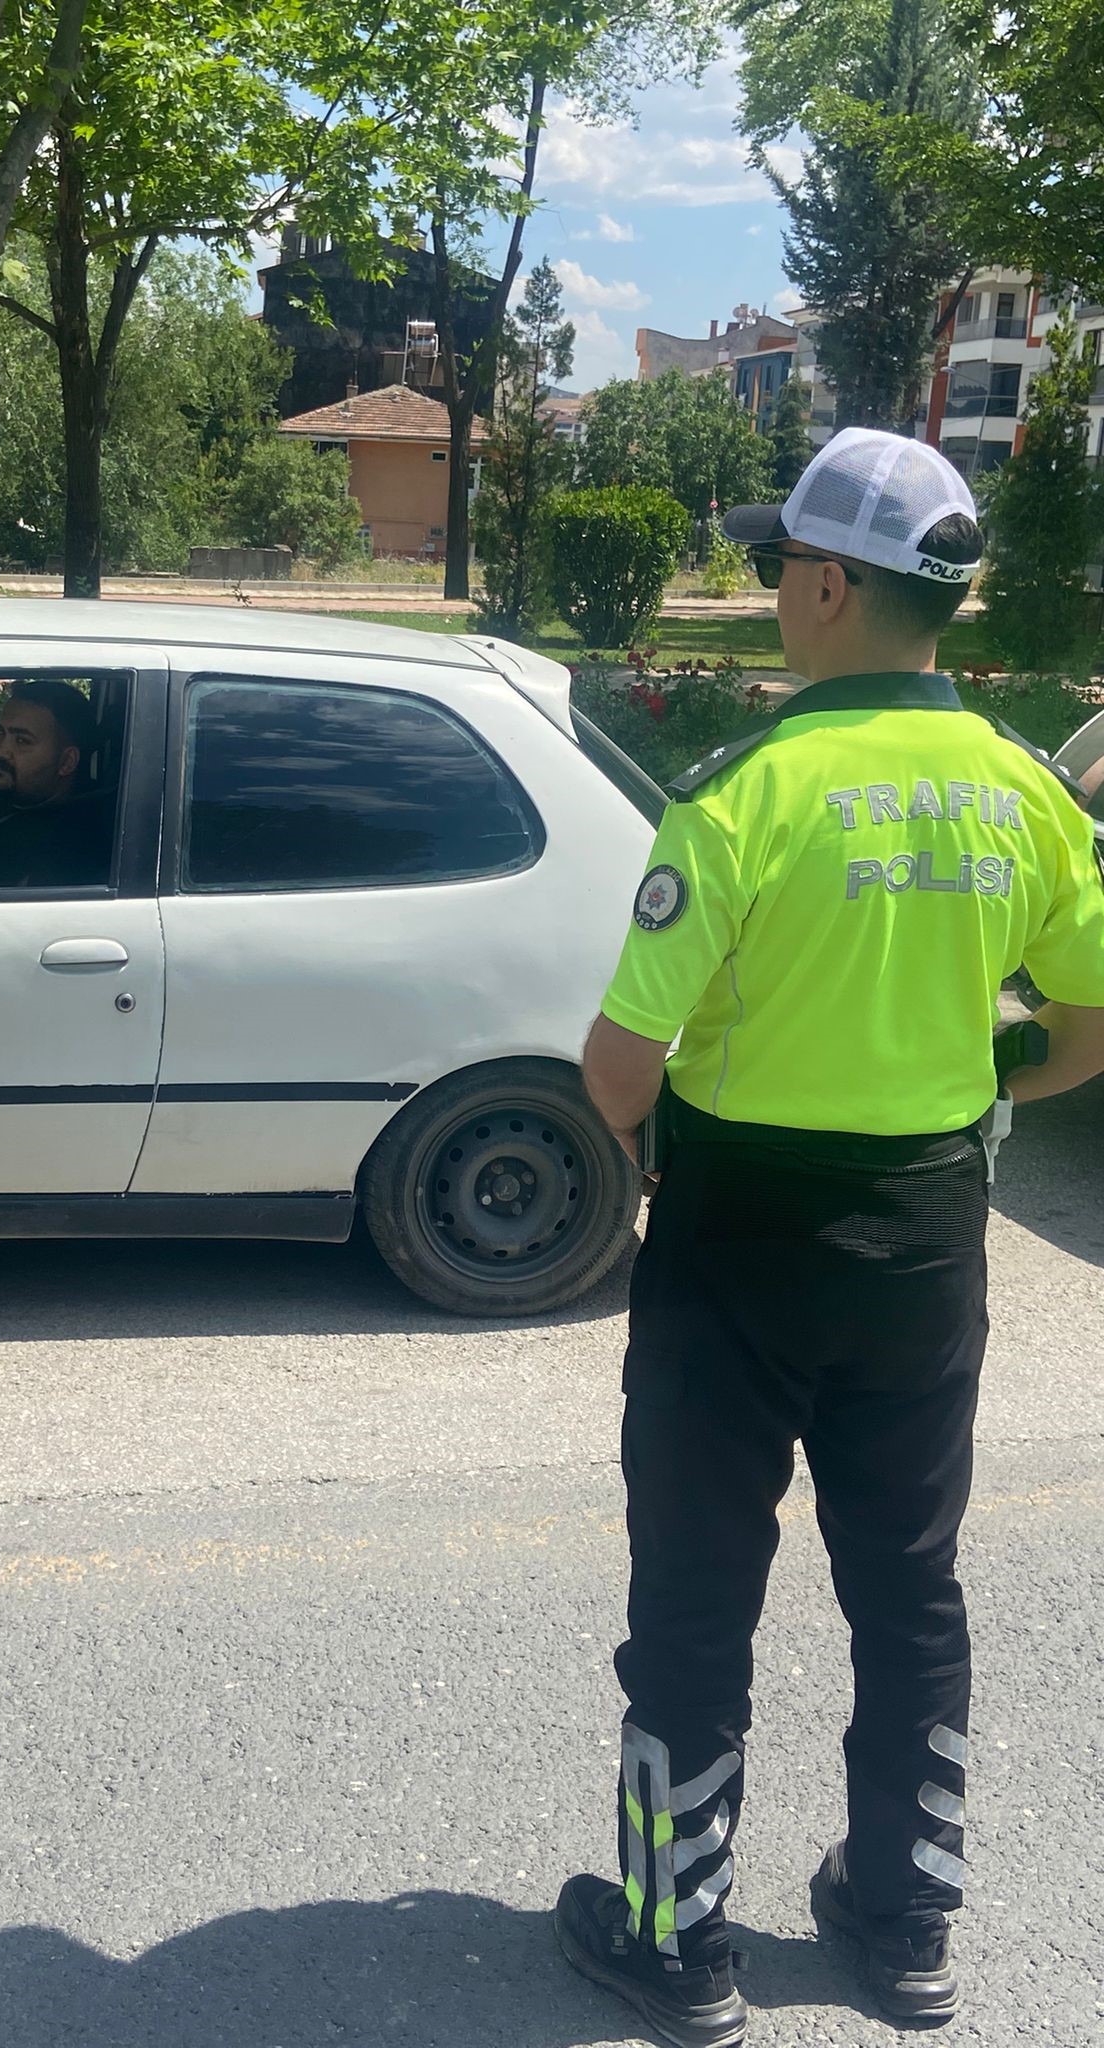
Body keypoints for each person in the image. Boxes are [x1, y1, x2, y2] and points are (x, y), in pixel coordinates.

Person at [551, 430, 1104, 2045]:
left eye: (776, 564)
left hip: (736, 1244)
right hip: (929, 1237)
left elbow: (613, 1069)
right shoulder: (1017, 790)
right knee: (910, 1584)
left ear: (825, 584)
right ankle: (904, 1920)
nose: (769, 590)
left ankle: (676, 1940)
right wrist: (975, 1074)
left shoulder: (744, 792)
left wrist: (663, 1158)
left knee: (698, 1594)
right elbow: (1081, 1025)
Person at [0, 678, 112, 889]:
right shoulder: (30, 812)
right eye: (1, 733)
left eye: (22, 741)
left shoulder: (63, 851)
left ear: (66, 762)